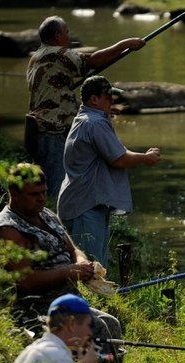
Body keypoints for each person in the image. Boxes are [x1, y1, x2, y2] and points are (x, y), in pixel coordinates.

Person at [0, 163, 129, 363]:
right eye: (33, 194)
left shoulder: (46, 214)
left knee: (111, 323)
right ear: (14, 194)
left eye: (43, 192)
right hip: (34, 309)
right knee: (98, 331)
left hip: (67, 301)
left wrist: (84, 265)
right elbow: (25, 281)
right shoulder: (7, 230)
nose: (41, 198)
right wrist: (69, 271)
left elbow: (72, 248)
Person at [26, 15, 147, 199]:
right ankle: (53, 223)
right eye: (66, 31)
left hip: (41, 129)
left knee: (48, 183)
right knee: (53, 187)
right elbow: (93, 61)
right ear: (58, 36)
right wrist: (125, 44)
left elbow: (60, 94)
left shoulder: (36, 57)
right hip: (50, 131)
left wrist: (99, 108)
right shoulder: (57, 53)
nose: (69, 35)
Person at [57, 75, 161, 267]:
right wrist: (145, 158)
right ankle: (91, 298)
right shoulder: (95, 123)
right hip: (85, 206)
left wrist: (141, 155)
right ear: (93, 100)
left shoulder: (88, 118)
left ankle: (98, 298)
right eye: (107, 96)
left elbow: (118, 153)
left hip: (86, 203)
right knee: (90, 269)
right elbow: (119, 159)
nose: (112, 100)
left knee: (95, 266)